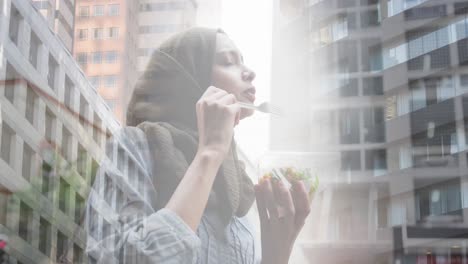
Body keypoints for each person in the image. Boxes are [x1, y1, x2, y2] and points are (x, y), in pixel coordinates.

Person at [85, 27, 310, 264]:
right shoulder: (137, 146)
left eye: (242, 61)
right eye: (227, 61)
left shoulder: (240, 189)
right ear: (188, 78)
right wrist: (209, 153)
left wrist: (277, 253)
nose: (250, 73)